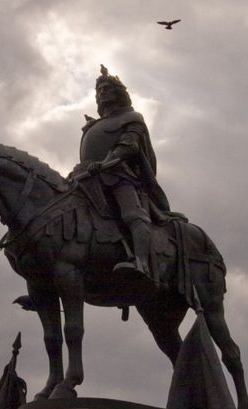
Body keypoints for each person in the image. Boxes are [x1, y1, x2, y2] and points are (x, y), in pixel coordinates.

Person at [75, 65, 170, 280]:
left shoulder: (132, 117)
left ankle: (141, 263)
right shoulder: (94, 124)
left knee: (132, 214)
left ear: (118, 93)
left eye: (107, 88)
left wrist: (105, 164)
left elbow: (130, 146)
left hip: (119, 176)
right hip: (87, 177)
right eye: (99, 90)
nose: (102, 92)